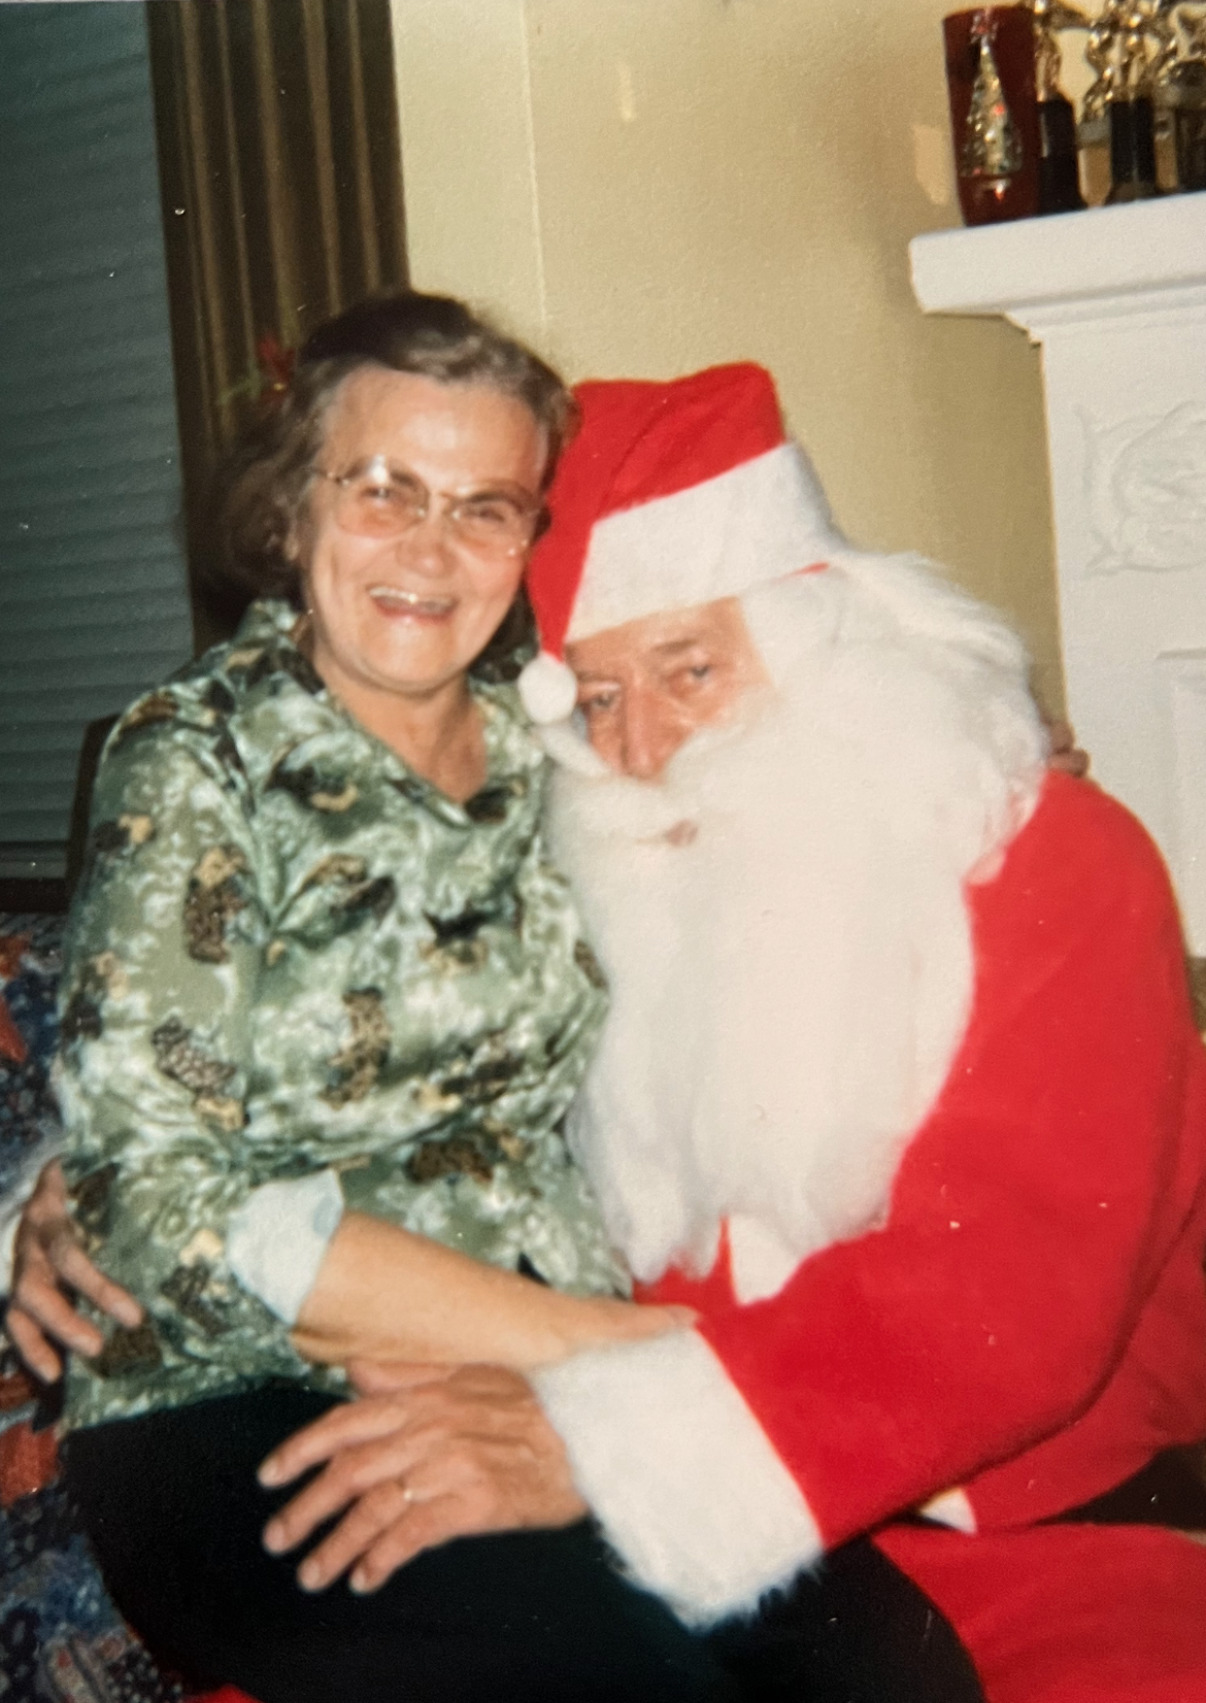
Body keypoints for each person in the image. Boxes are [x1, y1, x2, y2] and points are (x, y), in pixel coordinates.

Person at [231, 364, 1206, 1703]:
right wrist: (89, 1193)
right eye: (599, 696)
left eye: (689, 671)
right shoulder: (589, 885)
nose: (646, 749)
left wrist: (601, 1445)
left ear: (821, 640)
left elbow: (1008, 1301)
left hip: (1025, 1556)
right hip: (648, 1540)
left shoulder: (1055, 861)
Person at [5, 294, 754, 1703]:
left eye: (484, 507)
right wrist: (631, 1356)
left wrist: (995, 773)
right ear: (293, 509)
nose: (428, 548)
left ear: (533, 544)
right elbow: (159, 1210)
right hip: (240, 1405)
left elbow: (787, 814)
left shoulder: (561, 751)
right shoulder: (197, 758)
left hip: (542, 1375)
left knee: (889, 1664)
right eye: (382, 491)